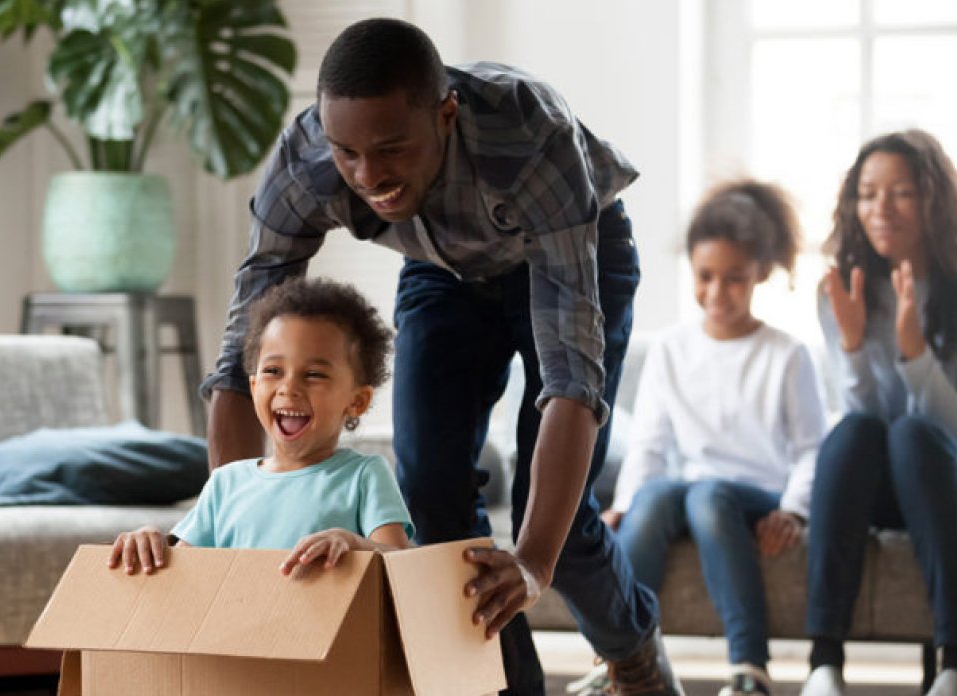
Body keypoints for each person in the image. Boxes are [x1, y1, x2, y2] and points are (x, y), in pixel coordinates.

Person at [200, 17, 681, 696]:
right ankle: (506, 688)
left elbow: (573, 381)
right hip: (441, 270)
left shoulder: (529, 138)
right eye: (349, 154)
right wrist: (237, 537)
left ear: (446, 115)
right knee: (429, 491)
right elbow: (240, 355)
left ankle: (632, 655)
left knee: (561, 528)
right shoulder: (304, 162)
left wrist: (533, 565)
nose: (370, 175)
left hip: (573, 254)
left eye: (393, 148)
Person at [572, 180, 828, 696]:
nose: (716, 292)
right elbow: (650, 441)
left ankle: (749, 671)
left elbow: (810, 450)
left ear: (761, 273)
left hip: (759, 495)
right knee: (657, 493)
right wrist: (624, 505)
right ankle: (618, 660)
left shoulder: (788, 353)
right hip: (689, 493)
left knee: (708, 494)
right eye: (705, 276)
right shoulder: (671, 348)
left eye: (735, 279)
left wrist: (795, 511)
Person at [109, 277, 413, 574]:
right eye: (273, 370)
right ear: (254, 387)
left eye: (314, 374)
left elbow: (402, 567)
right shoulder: (226, 484)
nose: (288, 388)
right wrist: (150, 539)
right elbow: (184, 573)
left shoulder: (364, 476)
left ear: (357, 401)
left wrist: (354, 544)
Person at [800, 129, 957, 696]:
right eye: (868, 194)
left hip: (941, 479)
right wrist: (851, 345)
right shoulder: (842, 289)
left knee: (914, 435)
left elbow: (950, 433)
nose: (880, 209)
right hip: (874, 484)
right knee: (855, 431)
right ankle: (823, 664)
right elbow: (862, 415)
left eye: (901, 193)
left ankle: (952, 664)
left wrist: (915, 353)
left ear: (932, 199)